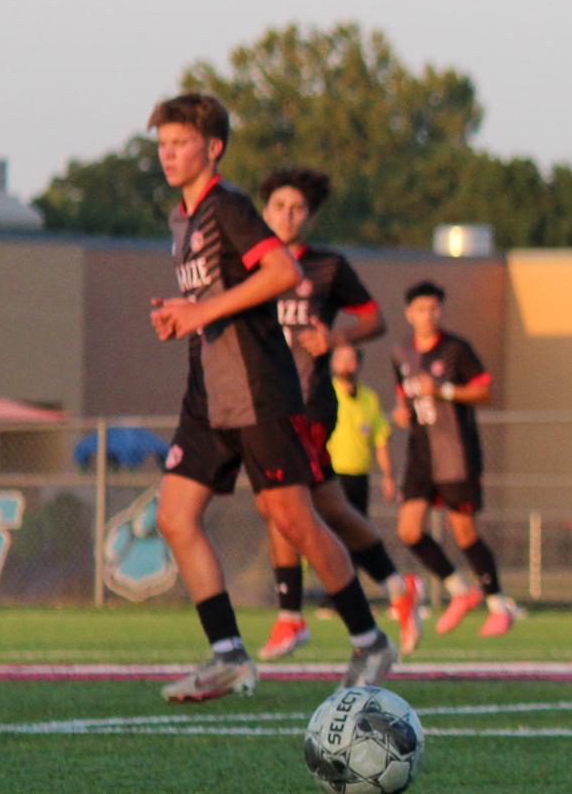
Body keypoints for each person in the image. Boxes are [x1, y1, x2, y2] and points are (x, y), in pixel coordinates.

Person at [144, 94, 396, 702]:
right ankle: (228, 656)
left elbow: (283, 272)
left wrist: (201, 309)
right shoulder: (183, 219)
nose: (168, 154)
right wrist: (186, 318)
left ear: (214, 148)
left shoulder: (227, 207)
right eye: (162, 143)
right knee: (174, 519)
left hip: (258, 390)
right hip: (208, 393)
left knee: (293, 519)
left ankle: (370, 641)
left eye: (180, 143)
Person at [255, 167, 424, 660]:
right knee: (323, 507)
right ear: (264, 212)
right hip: (261, 403)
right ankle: (397, 586)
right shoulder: (251, 264)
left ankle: (291, 616)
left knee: (279, 504)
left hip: (305, 402)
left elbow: (374, 317)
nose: (288, 216)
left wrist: (336, 337)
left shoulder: (327, 266)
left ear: (310, 217)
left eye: (298, 209)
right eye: (279, 207)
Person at [392, 281, 522, 637]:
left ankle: (497, 604)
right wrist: (402, 411)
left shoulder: (455, 349)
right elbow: (403, 395)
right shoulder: (401, 351)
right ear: (409, 313)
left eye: (434, 309)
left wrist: (446, 390)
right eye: (421, 309)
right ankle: (460, 590)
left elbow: (485, 391)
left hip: (455, 451)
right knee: (408, 530)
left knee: (464, 532)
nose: (428, 315)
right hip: (420, 453)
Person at [327, 344, 396, 516]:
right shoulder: (326, 394)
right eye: (340, 359)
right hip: (332, 475)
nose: (345, 365)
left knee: (358, 529)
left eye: (350, 360)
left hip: (360, 475)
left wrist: (388, 476)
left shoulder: (369, 398)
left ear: (358, 363)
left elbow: (380, 439)